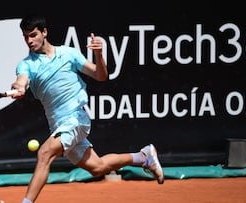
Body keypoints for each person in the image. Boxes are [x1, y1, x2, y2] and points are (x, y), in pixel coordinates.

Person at [10, 15, 164, 203]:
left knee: (44, 153)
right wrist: (18, 87)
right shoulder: (26, 65)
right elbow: (22, 80)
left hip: (76, 118)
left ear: (44, 32)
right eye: (25, 37)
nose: (29, 41)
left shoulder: (69, 54)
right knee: (97, 167)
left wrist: (99, 55)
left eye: (33, 35)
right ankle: (143, 157)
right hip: (58, 125)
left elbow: (100, 75)